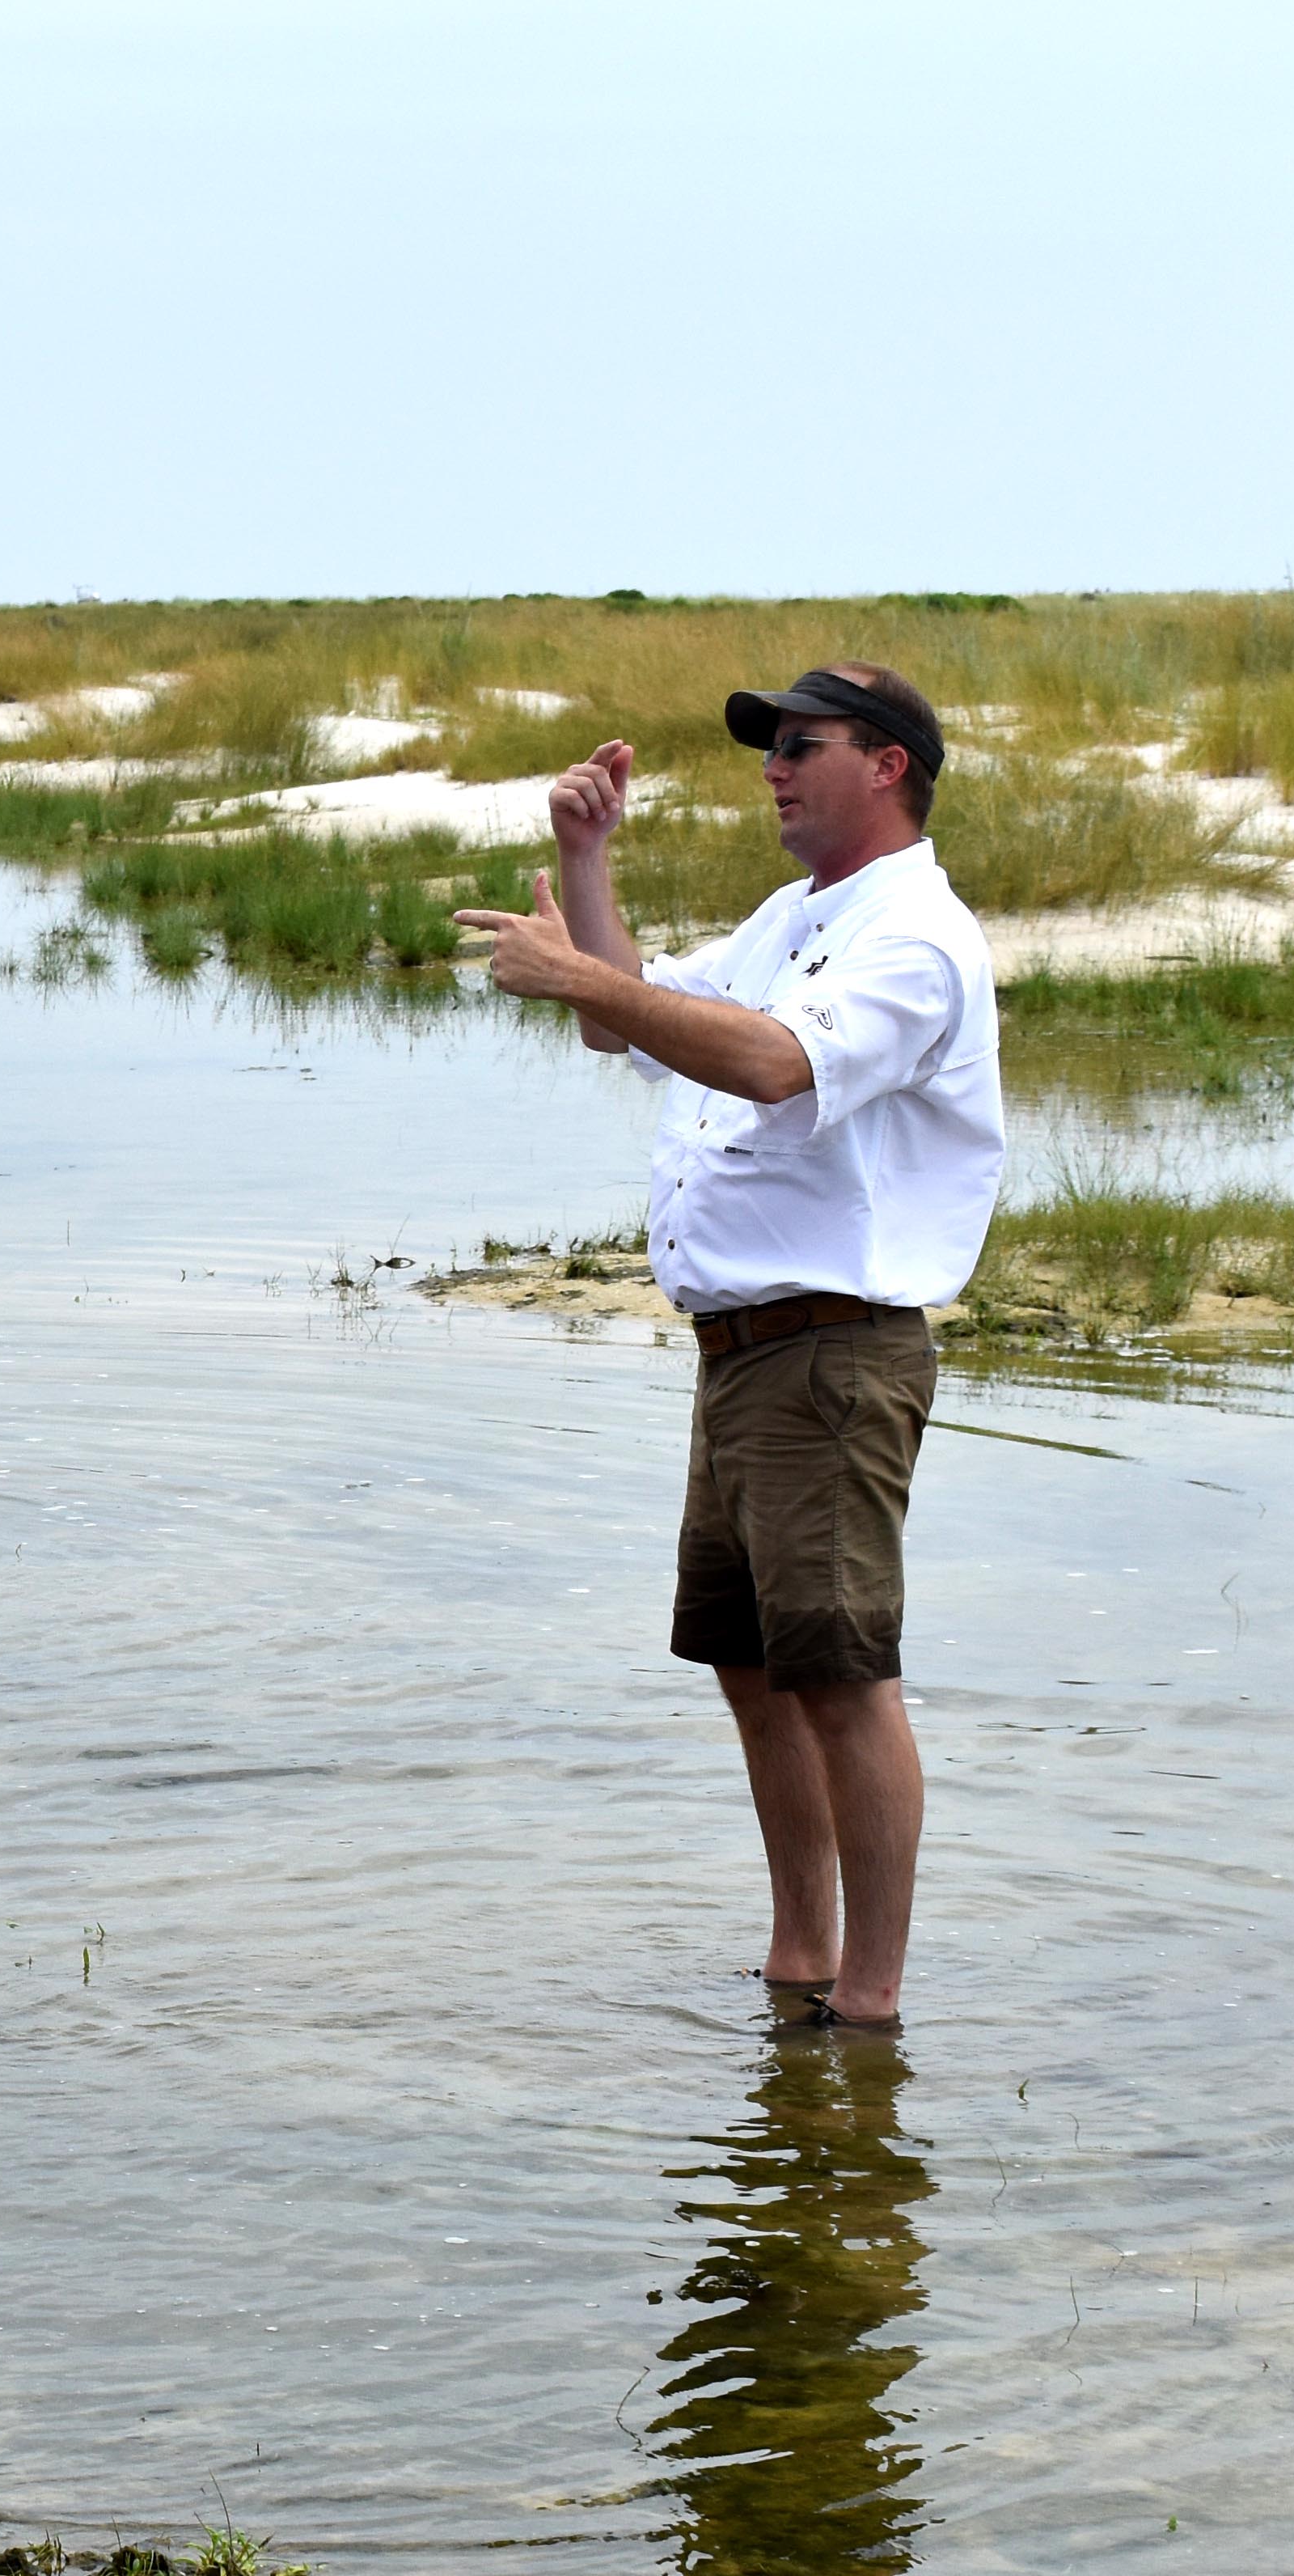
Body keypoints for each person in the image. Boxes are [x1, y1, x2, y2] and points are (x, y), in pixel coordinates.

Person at [448, 664, 1004, 2033]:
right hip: (744, 1355)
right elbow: (620, 1014)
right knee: (756, 1669)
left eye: (800, 747)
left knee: (841, 1674)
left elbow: (771, 1065)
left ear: (887, 765)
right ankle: (796, 1965)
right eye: (770, 748)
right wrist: (588, 867)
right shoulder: (796, 916)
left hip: (835, 1351)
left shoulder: (915, 937)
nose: (773, 768)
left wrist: (581, 971)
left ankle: (868, 2006)